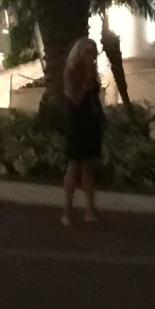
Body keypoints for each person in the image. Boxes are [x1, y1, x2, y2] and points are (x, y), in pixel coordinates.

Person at [60, 36, 105, 228]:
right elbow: (75, 98)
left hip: (91, 121)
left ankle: (89, 210)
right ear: (81, 53)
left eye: (95, 53)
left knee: (89, 168)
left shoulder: (92, 71)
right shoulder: (72, 73)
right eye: (90, 52)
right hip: (77, 121)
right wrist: (87, 80)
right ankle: (67, 211)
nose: (93, 57)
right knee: (74, 166)